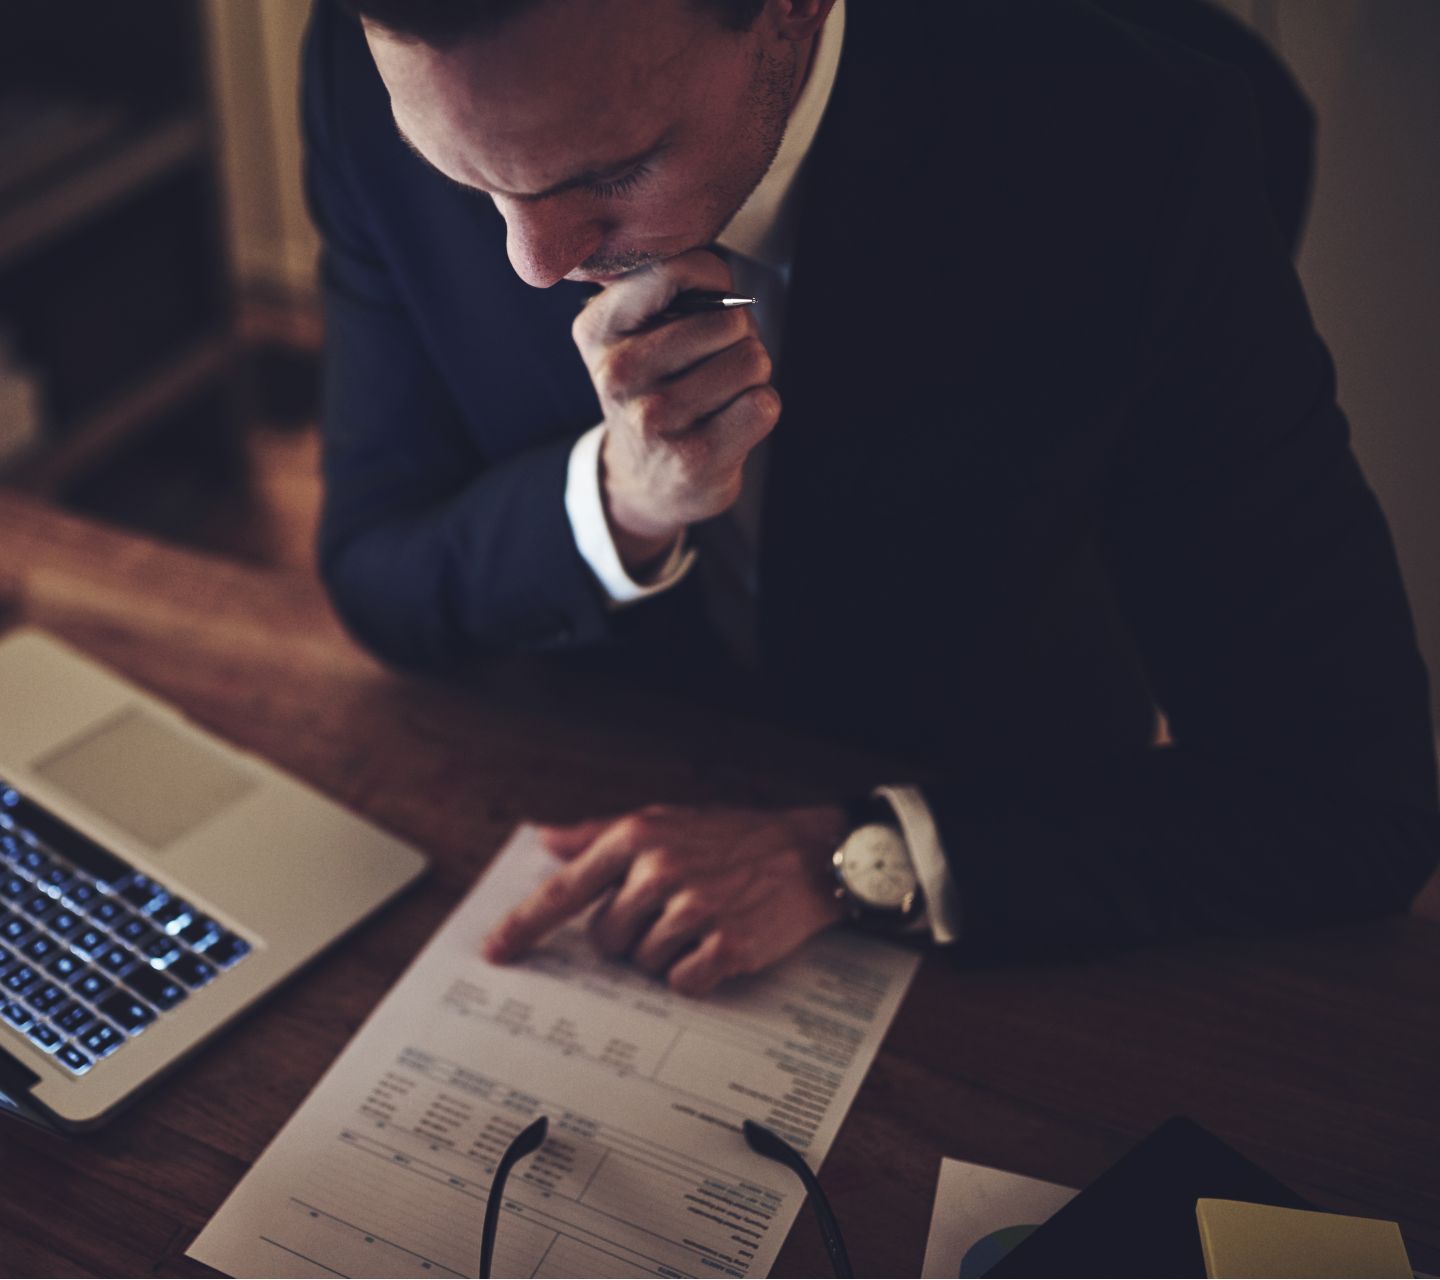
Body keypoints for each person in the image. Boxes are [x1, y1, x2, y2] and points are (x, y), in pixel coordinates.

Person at [300, 0, 1440, 990]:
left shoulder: (1142, 146)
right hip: (588, 782)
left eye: (608, 172)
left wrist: (855, 855)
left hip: (994, 829)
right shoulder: (376, 73)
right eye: (465, 178)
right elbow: (375, 567)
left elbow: (1352, 795)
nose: (533, 262)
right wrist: (619, 497)